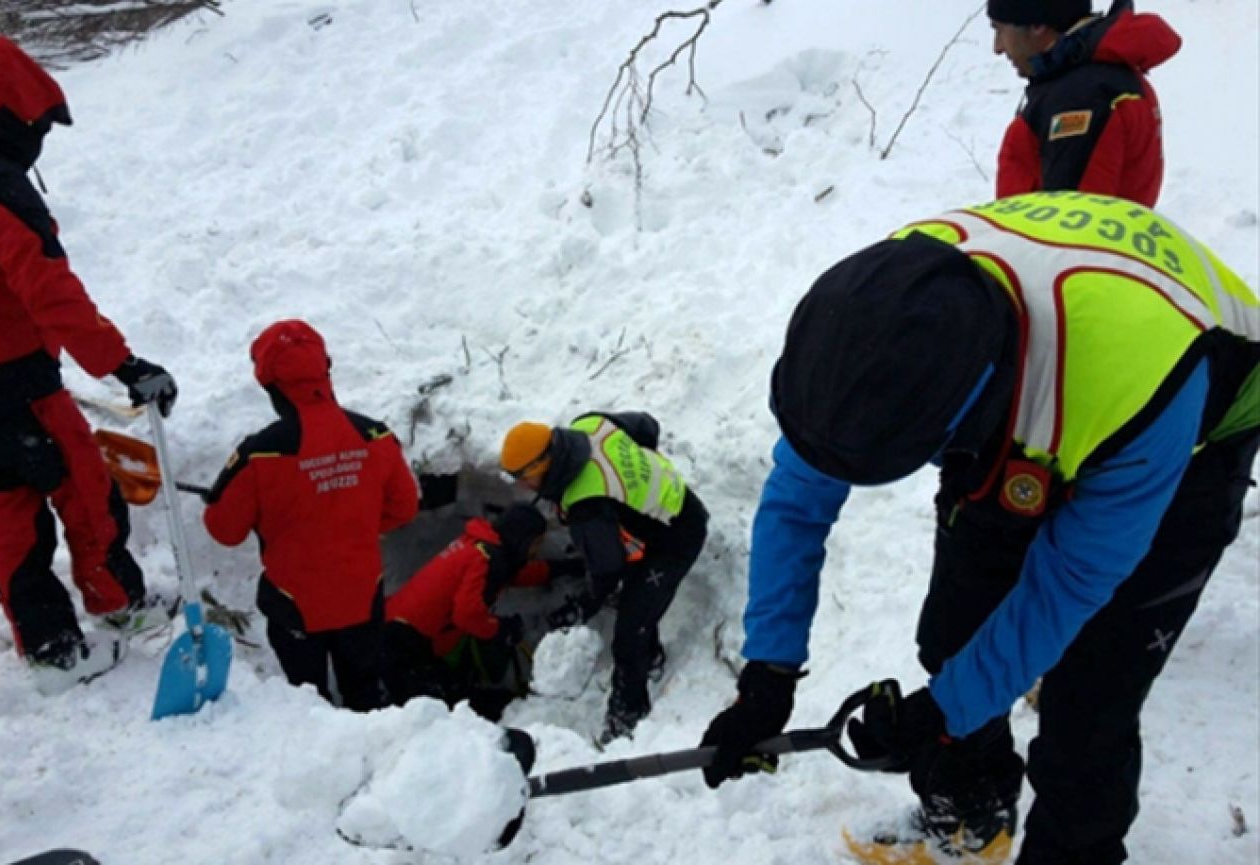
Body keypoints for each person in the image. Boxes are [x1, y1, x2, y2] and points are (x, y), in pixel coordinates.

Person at [699, 191, 1259, 865]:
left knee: (1089, 695)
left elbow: (1071, 580)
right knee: (952, 632)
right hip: (1047, 368)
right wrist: (769, 670)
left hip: (1189, 416)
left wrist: (942, 713)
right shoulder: (883, 312)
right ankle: (972, 814)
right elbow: (797, 496)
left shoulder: (1136, 383)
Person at [0, 34, 178, 695]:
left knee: (10, 513)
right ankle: (114, 599)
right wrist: (122, 364)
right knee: (87, 491)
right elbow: (47, 288)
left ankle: (48, 647)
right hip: (18, 379)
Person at [203, 319, 419, 711]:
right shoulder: (375, 436)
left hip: (294, 605)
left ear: (269, 385)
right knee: (366, 694)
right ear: (326, 368)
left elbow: (225, 530)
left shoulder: (260, 454)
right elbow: (404, 507)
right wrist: (358, 523)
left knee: (306, 703)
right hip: (362, 595)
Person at [500, 412, 709, 743]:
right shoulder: (590, 425)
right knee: (637, 592)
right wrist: (641, 480)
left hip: (676, 538)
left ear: (540, 466)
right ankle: (650, 656)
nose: (519, 485)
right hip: (676, 501)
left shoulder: (586, 503)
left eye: (520, 477)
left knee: (629, 630)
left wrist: (586, 604)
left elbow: (607, 569)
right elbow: (647, 426)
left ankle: (627, 717)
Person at [382, 502, 584, 720]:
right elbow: (466, 615)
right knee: (433, 713)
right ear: (521, 540)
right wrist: (499, 628)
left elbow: (513, 574)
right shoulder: (484, 559)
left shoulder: (483, 547)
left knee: (448, 698)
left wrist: (561, 569)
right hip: (402, 640)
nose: (535, 551)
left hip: (402, 630)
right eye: (535, 544)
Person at [991, 0, 1181, 207]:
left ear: (1037, 26)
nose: (997, 47)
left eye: (999, 30)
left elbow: (1069, 221)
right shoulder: (1089, 79)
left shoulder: (1080, 99)